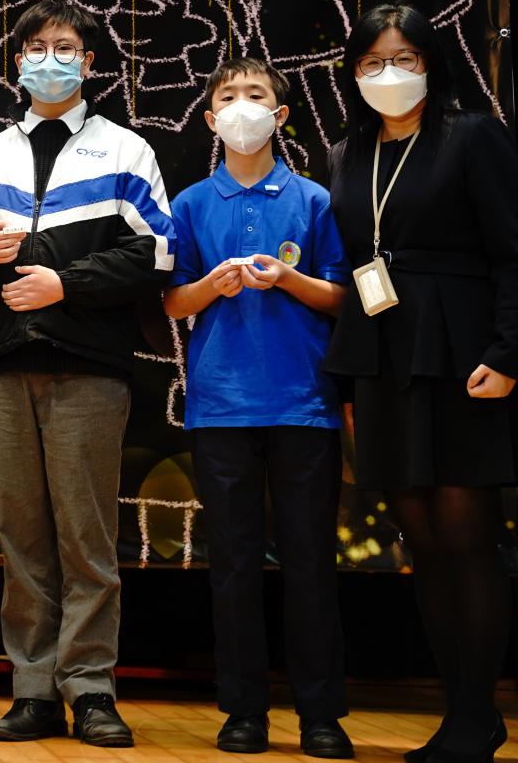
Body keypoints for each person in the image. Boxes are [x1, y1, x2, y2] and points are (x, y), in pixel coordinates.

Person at [0, 0, 175, 749]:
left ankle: (92, 689)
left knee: (86, 537)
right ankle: (33, 690)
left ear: (90, 62)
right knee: (22, 536)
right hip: (4, 368)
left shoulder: (126, 151)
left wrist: (63, 284)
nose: (50, 59)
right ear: (17, 63)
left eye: (65, 47)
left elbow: (157, 254)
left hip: (89, 370)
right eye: (36, 47)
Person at [322, 3, 518, 763]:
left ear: (432, 63)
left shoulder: (473, 136)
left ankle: (479, 711)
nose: (388, 73)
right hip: (384, 356)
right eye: (372, 61)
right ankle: (458, 709)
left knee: (469, 537)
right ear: (354, 72)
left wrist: (509, 352)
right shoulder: (347, 153)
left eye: (404, 58)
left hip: (466, 353)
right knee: (425, 543)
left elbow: (511, 252)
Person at [162, 58, 351, 758]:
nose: (243, 106)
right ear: (212, 119)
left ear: (280, 115)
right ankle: (243, 711)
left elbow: (342, 297)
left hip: (304, 404)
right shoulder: (190, 204)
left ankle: (321, 715)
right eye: (229, 97)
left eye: (257, 95)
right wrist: (212, 286)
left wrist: (290, 279)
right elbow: (172, 303)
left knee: (311, 564)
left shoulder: (314, 200)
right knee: (234, 567)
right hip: (221, 407)